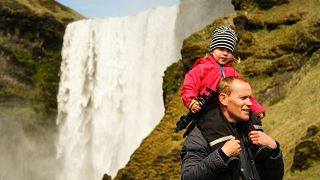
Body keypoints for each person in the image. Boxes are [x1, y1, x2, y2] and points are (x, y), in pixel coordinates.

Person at [180, 26, 268, 159]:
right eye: (221, 49)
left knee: (252, 116)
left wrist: (257, 108)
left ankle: (259, 147)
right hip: (209, 110)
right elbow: (188, 86)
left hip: (230, 109)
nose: (225, 53)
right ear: (212, 50)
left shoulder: (232, 73)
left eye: (229, 51)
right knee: (215, 127)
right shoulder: (201, 69)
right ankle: (227, 157)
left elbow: (245, 93)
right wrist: (191, 101)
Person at [180, 76, 284, 180]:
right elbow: (188, 177)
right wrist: (222, 155)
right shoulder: (199, 137)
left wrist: (274, 150)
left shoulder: (253, 131)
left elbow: (274, 177)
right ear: (223, 99)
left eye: (250, 98)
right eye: (243, 98)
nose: (250, 103)